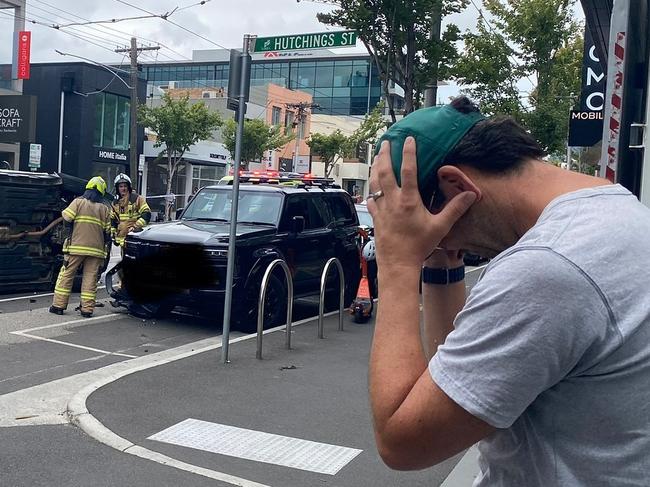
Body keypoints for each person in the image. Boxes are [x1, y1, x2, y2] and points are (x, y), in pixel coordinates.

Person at [366, 96, 650, 485]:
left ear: (455, 185)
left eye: (433, 230)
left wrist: (397, 263)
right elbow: (458, 381)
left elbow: (403, 442)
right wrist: (440, 260)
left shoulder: (547, 267)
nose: (438, 243)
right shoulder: (617, 212)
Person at [50, 176, 111, 318]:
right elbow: (108, 232)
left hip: (76, 247)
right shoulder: (104, 209)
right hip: (96, 251)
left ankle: (58, 306)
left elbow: (66, 218)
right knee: (90, 278)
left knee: (67, 275)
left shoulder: (78, 202)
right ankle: (87, 310)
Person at [111, 173, 151, 248]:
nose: (123, 188)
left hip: (135, 238)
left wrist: (135, 227)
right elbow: (113, 220)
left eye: (125, 186)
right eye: (120, 186)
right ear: (117, 188)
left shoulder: (136, 199)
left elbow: (147, 214)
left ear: (129, 187)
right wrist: (113, 235)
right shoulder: (115, 203)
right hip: (123, 242)